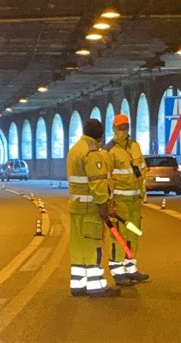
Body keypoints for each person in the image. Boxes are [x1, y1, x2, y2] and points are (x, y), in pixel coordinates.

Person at [67, 119, 121, 298]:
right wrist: (104, 205)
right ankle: (96, 285)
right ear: (100, 136)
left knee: (79, 248)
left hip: (76, 207)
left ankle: (78, 284)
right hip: (90, 208)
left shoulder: (75, 149)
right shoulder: (91, 153)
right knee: (93, 246)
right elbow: (97, 183)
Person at [103, 114, 149, 286]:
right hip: (119, 202)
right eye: (120, 128)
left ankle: (131, 268)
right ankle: (118, 272)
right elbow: (106, 178)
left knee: (133, 235)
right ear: (113, 129)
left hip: (135, 201)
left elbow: (142, 170)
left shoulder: (135, 146)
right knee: (119, 236)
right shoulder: (109, 151)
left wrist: (143, 193)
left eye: (126, 127)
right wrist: (109, 203)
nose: (123, 131)